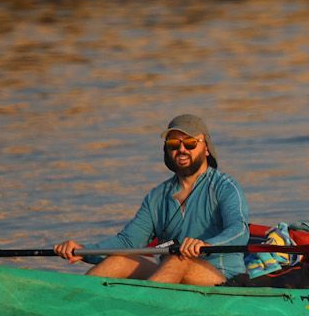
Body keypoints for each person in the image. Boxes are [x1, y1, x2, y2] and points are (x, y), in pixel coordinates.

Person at [56, 114, 249, 286]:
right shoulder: (157, 197)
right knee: (119, 261)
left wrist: (207, 246)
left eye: (190, 143)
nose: (181, 149)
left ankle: (137, 312)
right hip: (172, 276)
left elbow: (240, 230)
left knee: (177, 259)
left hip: (223, 279)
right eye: (174, 144)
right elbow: (127, 243)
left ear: (206, 148)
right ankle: (71, 303)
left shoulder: (225, 186)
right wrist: (83, 251)